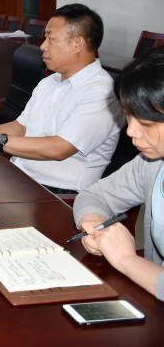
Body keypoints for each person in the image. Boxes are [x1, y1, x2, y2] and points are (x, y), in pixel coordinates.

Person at [0, 3, 123, 193]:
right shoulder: (50, 81)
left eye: (50, 38)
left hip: (58, 193)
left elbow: (59, 149)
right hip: (20, 175)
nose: (43, 46)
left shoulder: (102, 93)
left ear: (77, 44)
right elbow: (22, 126)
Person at [73, 46, 164, 301]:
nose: (131, 132)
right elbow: (95, 196)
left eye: (146, 123)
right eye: (129, 117)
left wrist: (126, 259)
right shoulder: (151, 164)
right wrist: (94, 225)